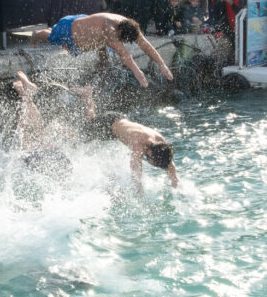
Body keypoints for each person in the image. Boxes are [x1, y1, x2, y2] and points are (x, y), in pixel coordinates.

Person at [30, 12, 174, 88]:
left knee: (102, 48)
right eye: (122, 40)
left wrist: (162, 64)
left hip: (86, 26)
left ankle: (101, 68)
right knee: (52, 38)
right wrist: (137, 72)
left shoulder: (128, 25)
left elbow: (145, 44)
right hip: (69, 29)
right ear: (118, 33)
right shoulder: (109, 29)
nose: (123, 43)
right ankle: (37, 34)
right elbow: (124, 54)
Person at [82, 106, 178, 195]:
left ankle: (90, 109)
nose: (148, 160)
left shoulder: (160, 142)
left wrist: (175, 182)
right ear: (150, 153)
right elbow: (136, 170)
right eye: (150, 160)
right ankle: (87, 97)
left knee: (90, 122)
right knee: (78, 137)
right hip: (107, 124)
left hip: (121, 120)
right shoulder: (138, 144)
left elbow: (168, 161)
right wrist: (139, 191)